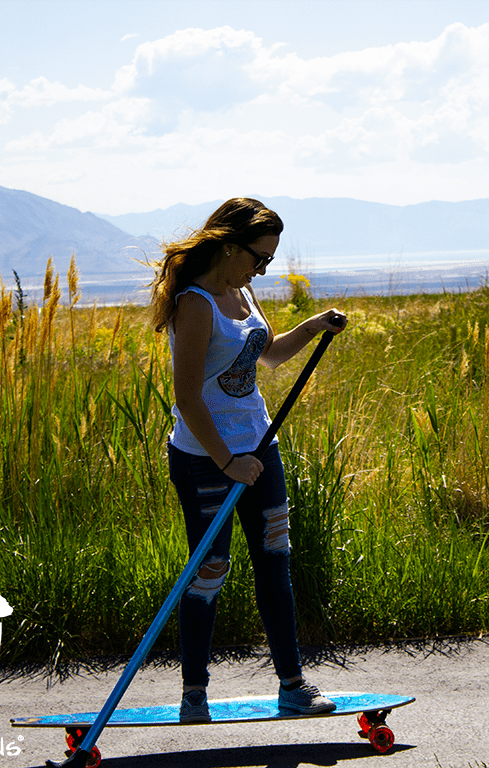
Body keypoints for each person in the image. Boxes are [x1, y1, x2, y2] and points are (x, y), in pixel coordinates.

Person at [149, 198, 347, 723]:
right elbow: (188, 398)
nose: (264, 268)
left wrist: (312, 327)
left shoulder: (245, 290)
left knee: (275, 564)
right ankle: (194, 695)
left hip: (261, 447)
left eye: (269, 260)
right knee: (209, 569)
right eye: (259, 256)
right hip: (204, 457)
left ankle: (292, 687)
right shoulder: (194, 303)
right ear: (229, 246)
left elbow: (268, 355)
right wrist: (226, 461)